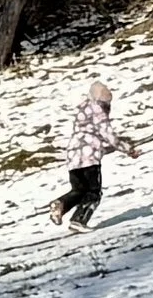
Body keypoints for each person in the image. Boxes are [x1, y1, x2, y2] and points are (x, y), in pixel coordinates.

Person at [48, 81, 140, 233]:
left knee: (78, 190)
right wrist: (128, 150)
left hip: (73, 155)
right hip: (89, 156)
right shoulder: (97, 111)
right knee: (93, 192)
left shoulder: (83, 109)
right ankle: (79, 220)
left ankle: (60, 203)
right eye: (107, 102)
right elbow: (108, 135)